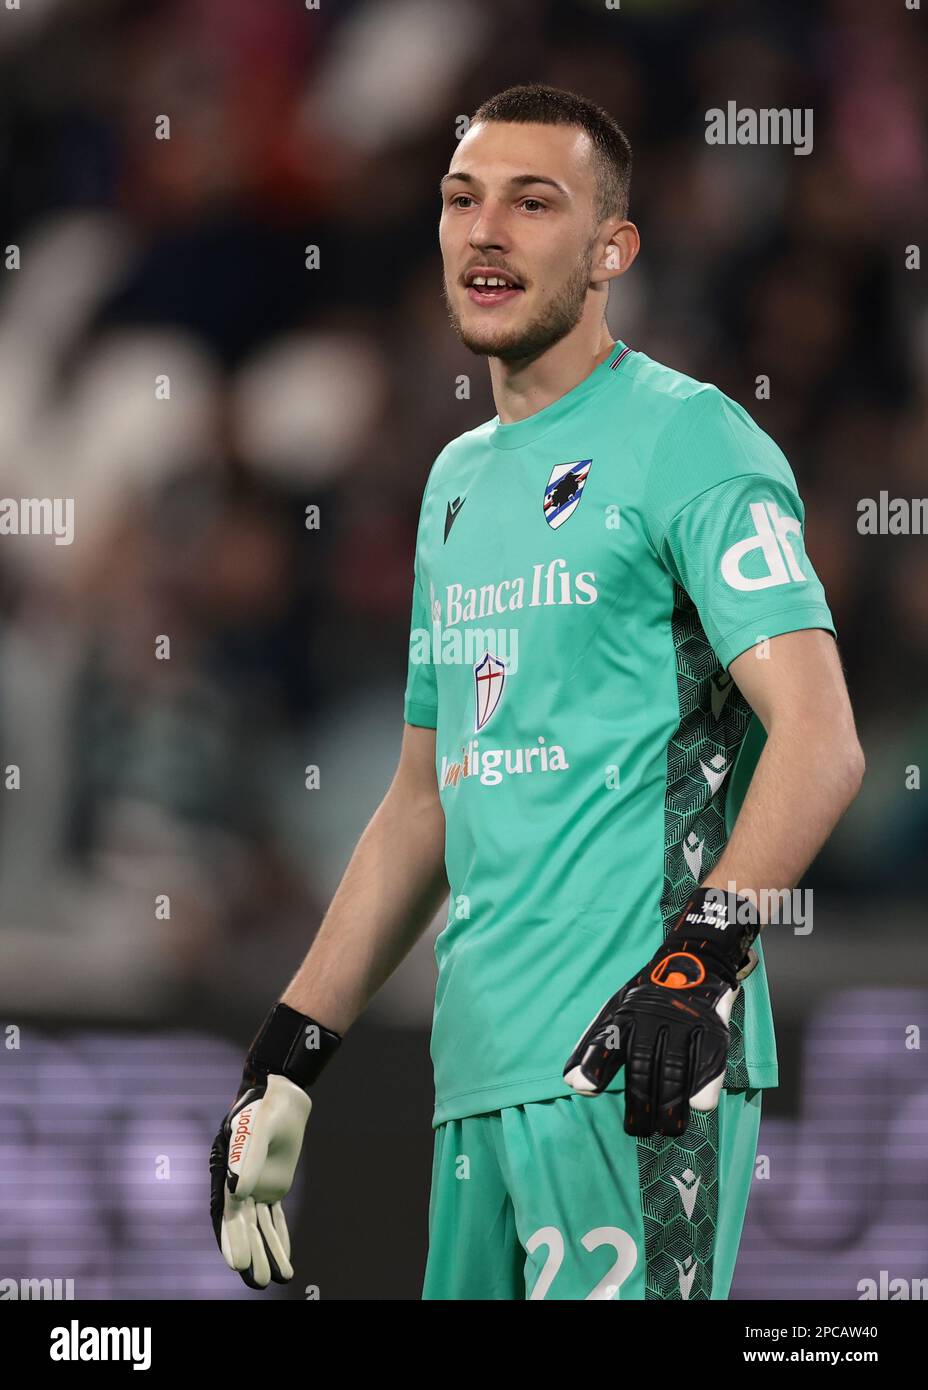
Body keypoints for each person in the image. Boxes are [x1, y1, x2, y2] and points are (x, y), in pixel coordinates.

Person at [209, 83, 865, 1301]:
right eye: (462, 200)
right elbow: (423, 803)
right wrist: (289, 1050)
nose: (484, 231)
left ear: (613, 248)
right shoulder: (453, 482)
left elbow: (820, 739)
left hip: (637, 1058)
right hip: (479, 1073)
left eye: (532, 202)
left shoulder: (692, 440)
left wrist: (697, 968)